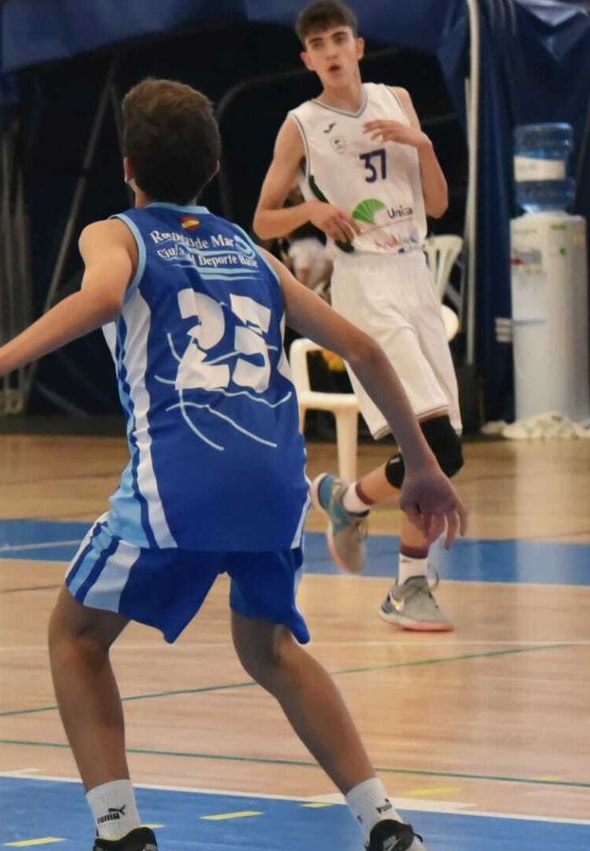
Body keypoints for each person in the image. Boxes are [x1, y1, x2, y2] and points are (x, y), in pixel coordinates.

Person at [0, 79, 468, 851]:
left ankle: (121, 843)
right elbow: (364, 347)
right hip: (276, 482)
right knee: (271, 649)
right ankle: (393, 833)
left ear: (128, 167)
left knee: (74, 636)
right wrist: (419, 463)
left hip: (184, 474)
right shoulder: (249, 248)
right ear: (211, 167)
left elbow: (100, 298)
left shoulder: (115, 232)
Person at [254, 0, 465, 632]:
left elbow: (437, 204)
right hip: (364, 284)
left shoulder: (396, 100)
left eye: (339, 38)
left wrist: (423, 144)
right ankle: (405, 578)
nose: (331, 51)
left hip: (416, 275)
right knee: (433, 446)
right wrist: (310, 212)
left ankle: (351, 503)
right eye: (318, 44)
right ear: (307, 59)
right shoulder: (301, 125)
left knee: (445, 453)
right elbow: (263, 220)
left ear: (359, 46)